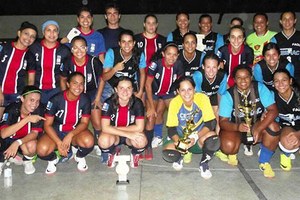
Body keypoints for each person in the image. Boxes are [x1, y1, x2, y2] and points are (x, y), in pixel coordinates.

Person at [218, 64, 280, 178]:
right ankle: (233, 152)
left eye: (246, 77)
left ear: (251, 77)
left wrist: (260, 127)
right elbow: (222, 122)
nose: (243, 80)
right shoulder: (228, 95)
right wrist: (237, 127)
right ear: (234, 79)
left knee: (274, 127)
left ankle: (264, 161)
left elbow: (273, 110)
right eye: (239, 77)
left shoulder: (260, 88)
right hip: (237, 128)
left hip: (257, 125)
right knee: (228, 146)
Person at [37, 72, 94, 174]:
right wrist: (59, 143)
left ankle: (78, 156)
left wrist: (70, 135)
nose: (78, 87)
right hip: (56, 131)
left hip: (74, 131)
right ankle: (53, 158)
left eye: (81, 84)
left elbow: (84, 123)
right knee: (42, 150)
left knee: (88, 141)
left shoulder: (85, 99)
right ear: (68, 84)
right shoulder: (55, 99)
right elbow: (47, 125)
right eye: (75, 83)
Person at [164, 77, 219, 179]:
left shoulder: (202, 98)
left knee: (213, 138)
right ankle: (180, 156)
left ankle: (204, 163)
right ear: (178, 92)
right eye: (183, 90)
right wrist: (179, 143)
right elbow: (171, 128)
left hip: (198, 136)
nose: (187, 93)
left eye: (189, 89)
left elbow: (211, 123)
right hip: (181, 136)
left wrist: (195, 137)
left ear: (194, 89)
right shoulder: (175, 102)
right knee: (168, 151)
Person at [60, 36, 104, 158]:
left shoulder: (94, 61)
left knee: (96, 120)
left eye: (82, 47)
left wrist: (97, 97)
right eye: (75, 48)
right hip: (74, 93)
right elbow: (63, 79)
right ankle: (73, 145)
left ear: (87, 48)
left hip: (92, 92)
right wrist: (65, 97)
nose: (79, 50)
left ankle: (100, 144)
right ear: (71, 49)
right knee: (74, 120)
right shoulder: (67, 62)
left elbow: (102, 80)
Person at [145, 42, 184, 160]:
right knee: (152, 115)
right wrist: (151, 106)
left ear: (178, 55)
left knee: (177, 114)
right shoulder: (155, 64)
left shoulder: (179, 65)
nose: (171, 57)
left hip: (169, 93)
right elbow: (147, 85)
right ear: (163, 54)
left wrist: (178, 96)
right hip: (154, 92)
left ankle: (174, 139)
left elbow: (180, 82)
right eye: (169, 54)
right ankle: (148, 145)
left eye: (174, 55)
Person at [98, 77, 147, 168]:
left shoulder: (138, 103)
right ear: (116, 89)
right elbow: (105, 128)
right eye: (121, 88)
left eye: (128, 88)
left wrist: (114, 128)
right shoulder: (108, 103)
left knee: (141, 140)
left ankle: (135, 154)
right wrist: (126, 133)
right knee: (103, 140)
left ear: (132, 90)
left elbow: (139, 127)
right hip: (114, 135)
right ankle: (112, 152)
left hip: (124, 132)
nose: (125, 91)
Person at [0, 86, 45, 174]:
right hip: (8, 139)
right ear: (22, 99)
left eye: (37, 101)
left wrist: (17, 143)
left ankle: (27, 160)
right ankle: (3, 159)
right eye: (31, 100)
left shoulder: (39, 110)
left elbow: (34, 134)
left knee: (33, 145)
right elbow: (3, 134)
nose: (34, 104)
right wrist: (27, 119)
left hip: (23, 140)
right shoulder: (12, 108)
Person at [0, 21, 38, 119]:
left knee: (10, 124)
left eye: (32, 36)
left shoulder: (30, 56)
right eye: (26, 34)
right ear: (19, 33)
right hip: (1, 92)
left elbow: (30, 80)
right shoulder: (4, 48)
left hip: (16, 95)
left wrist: (28, 98)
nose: (29, 38)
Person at [30, 20, 71, 104]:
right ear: (43, 32)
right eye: (48, 30)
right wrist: (31, 90)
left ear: (58, 33)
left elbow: (67, 73)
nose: (52, 34)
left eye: (55, 30)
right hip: (38, 89)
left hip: (56, 90)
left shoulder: (64, 50)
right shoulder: (34, 48)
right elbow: (30, 71)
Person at [193, 53, 227, 134]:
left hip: (213, 95)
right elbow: (198, 97)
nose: (211, 71)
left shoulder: (222, 75)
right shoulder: (198, 75)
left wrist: (219, 109)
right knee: (200, 116)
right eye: (208, 67)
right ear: (203, 67)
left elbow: (220, 94)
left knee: (219, 115)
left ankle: (218, 137)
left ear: (218, 67)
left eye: (214, 67)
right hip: (198, 96)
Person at [273, 69, 300, 171]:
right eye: (276, 81)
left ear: (290, 81)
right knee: (289, 142)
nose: (280, 84)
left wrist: (298, 134)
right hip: (288, 127)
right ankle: (286, 154)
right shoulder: (272, 96)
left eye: (284, 80)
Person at [271, 11, 300, 86]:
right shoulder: (275, 39)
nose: (287, 21)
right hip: (282, 79)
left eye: (290, 19)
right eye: (284, 19)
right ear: (280, 21)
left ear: (295, 21)